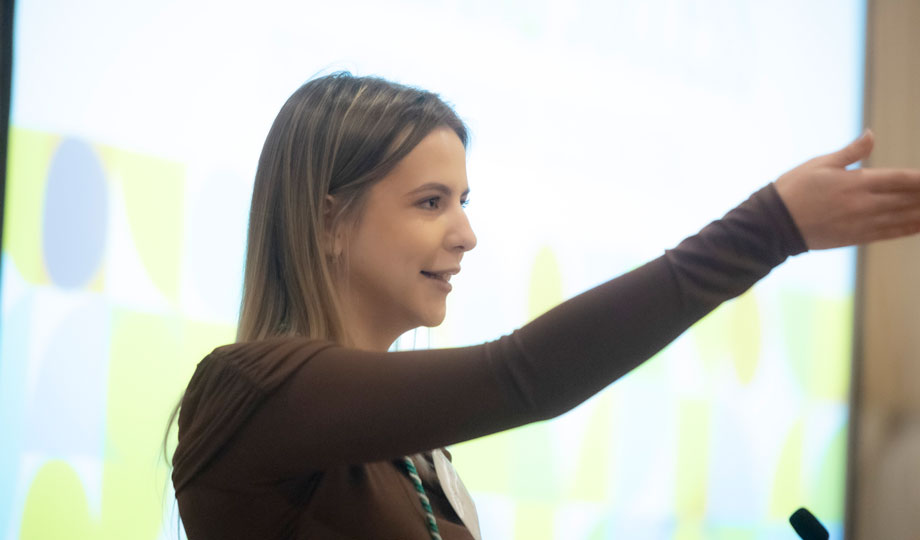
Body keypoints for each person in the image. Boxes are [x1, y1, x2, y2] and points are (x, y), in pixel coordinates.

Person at [166, 72, 920, 540]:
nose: (465, 234)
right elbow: (526, 377)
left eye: (462, 201)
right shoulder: (251, 393)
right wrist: (771, 228)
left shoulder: (415, 459)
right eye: (431, 202)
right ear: (328, 219)